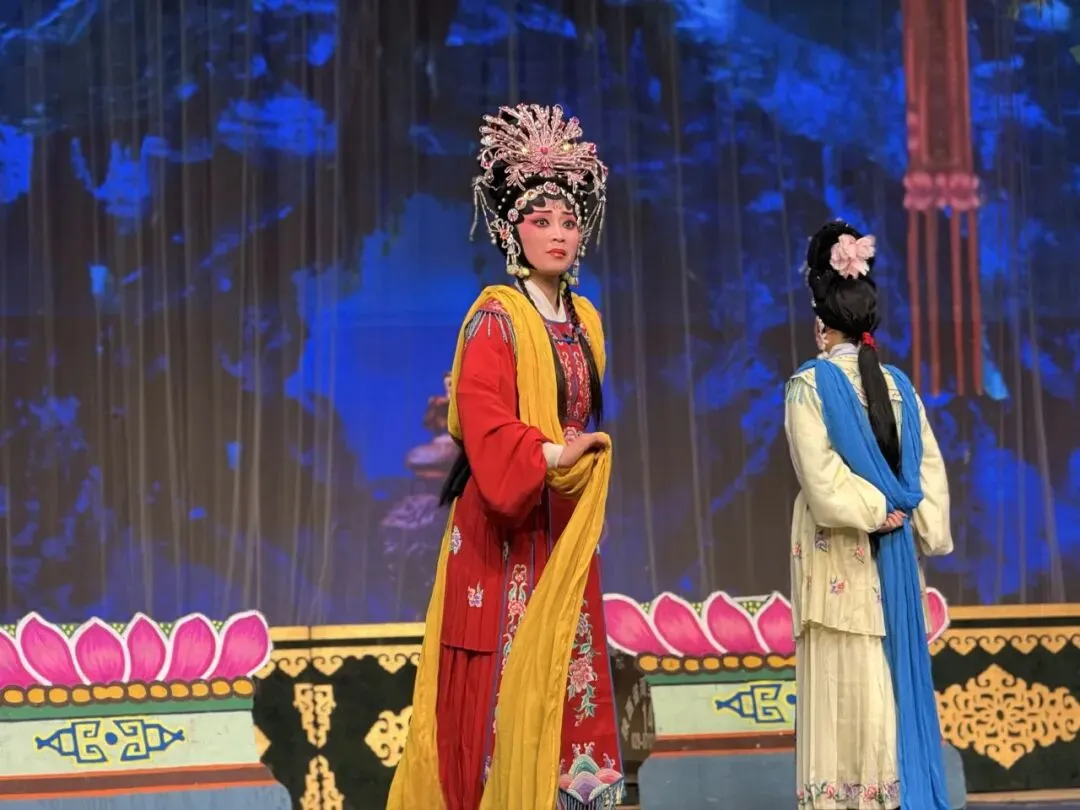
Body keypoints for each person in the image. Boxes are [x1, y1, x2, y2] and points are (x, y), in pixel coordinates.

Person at [388, 103, 624, 810]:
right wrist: (551, 452)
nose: (558, 233)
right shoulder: (494, 316)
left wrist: (569, 463)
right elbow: (484, 423)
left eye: (569, 220)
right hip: (505, 523)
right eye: (540, 220)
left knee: (572, 672)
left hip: (563, 522)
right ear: (509, 230)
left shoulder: (586, 320)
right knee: (505, 679)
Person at [784, 221, 954, 810]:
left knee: (843, 684)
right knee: (889, 685)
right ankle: (895, 793)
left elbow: (822, 480)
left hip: (841, 555)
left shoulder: (809, 385)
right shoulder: (901, 386)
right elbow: (928, 469)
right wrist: (916, 521)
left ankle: (849, 799)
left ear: (820, 323)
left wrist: (872, 510)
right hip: (895, 559)